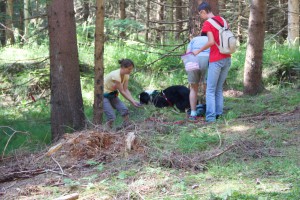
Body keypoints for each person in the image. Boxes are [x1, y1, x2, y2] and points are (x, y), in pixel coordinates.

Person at [193, 2, 232, 122]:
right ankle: (219, 114)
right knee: (218, 88)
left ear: (203, 12)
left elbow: (210, 42)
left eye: (200, 14)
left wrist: (198, 51)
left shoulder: (208, 23)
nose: (201, 17)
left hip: (216, 59)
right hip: (227, 57)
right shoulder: (223, 20)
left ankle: (210, 117)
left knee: (210, 89)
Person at [103, 59, 141, 128]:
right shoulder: (116, 75)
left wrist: (133, 100)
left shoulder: (126, 75)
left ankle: (127, 127)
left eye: (131, 69)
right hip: (103, 95)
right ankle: (106, 131)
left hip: (112, 94)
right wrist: (132, 102)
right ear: (123, 67)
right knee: (111, 117)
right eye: (129, 69)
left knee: (124, 110)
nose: (130, 71)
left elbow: (126, 89)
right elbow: (122, 91)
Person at [186, 32, 210, 121]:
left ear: (200, 34)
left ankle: (193, 113)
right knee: (207, 88)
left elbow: (187, 53)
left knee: (193, 88)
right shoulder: (211, 39)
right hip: (207, 59)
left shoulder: (194, 39)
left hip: (193, 59)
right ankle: (209, 112)